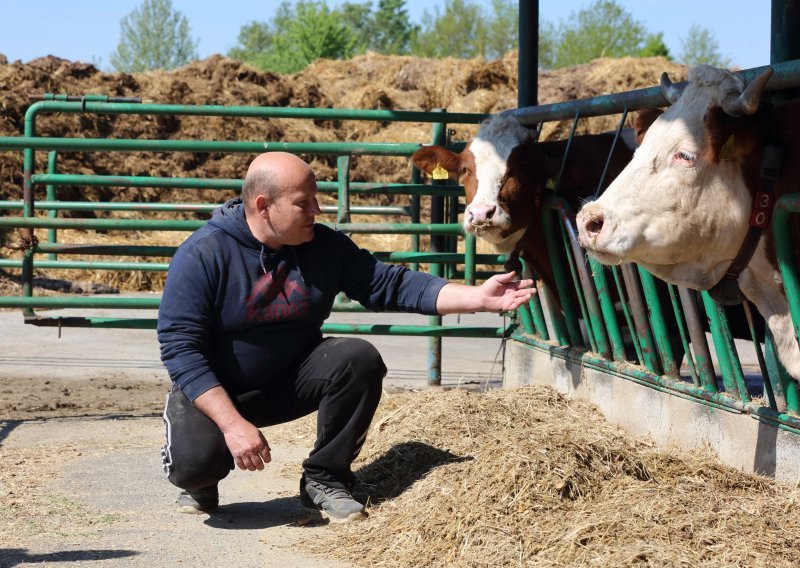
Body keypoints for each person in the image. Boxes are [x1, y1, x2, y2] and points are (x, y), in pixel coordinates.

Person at [157, 152, 536, 523]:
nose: (317, 211)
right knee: (195, 466)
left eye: (316, 198)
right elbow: (180, 348)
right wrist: (232, 425)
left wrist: (477, 298)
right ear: (264, 205)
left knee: (358, 357)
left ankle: (325, 478)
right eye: (303, 202)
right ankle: (202, 481)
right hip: (220, 391)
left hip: (289, 380)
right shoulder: (204, 253)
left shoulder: (323, 247)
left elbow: (390, 284)